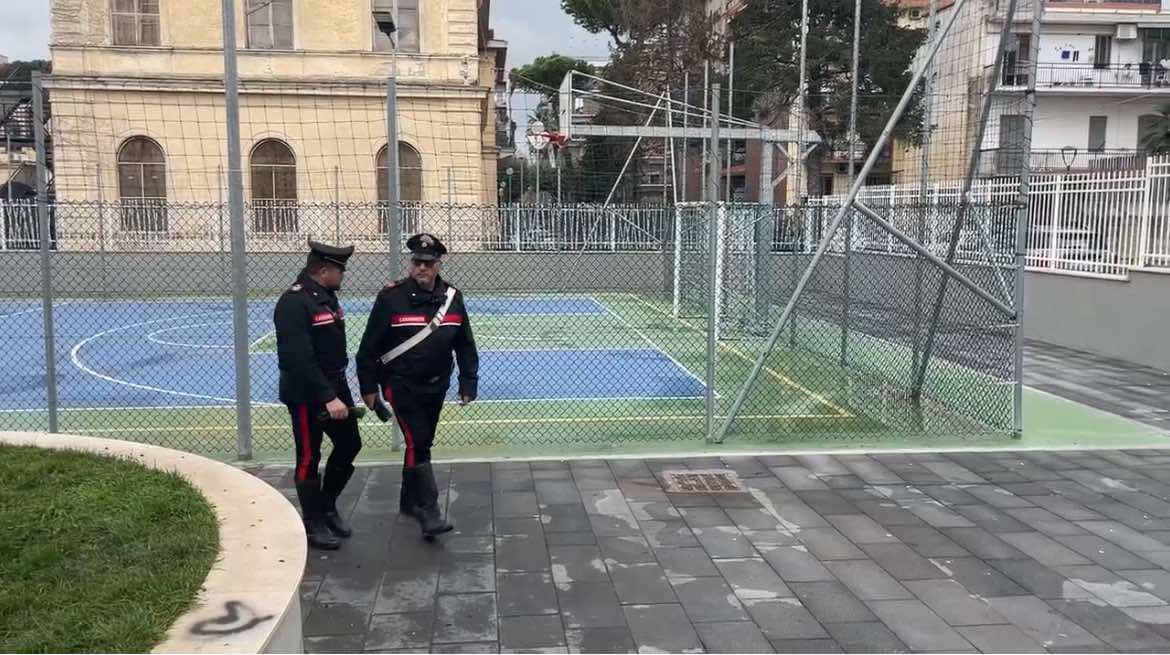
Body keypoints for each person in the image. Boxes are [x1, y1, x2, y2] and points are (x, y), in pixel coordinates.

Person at [356, 233, 478, 538]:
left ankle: (408, 501)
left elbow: (465, 344)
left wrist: (468, 380)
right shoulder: (391, 298)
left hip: (437, 384)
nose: (420, 268)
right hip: (401, 384)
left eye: (427, 263)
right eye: (416, 262)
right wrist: (368, 386)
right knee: (418, 441)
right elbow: (368, 347)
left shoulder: (453, 297)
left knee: (422, 442)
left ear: (437, 265)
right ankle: (429, 510)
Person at [274, 240, 362, 550]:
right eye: (340, 270)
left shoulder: (326, 298)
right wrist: (327, 397)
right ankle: (312, 524)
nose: (343, 275)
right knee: (309, 456)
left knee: (350, 444)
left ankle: (326, 505)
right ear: (323, 270)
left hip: (335, 388)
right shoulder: (294, 303)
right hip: (307, 394)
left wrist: (339, 392)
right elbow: (298, 360)